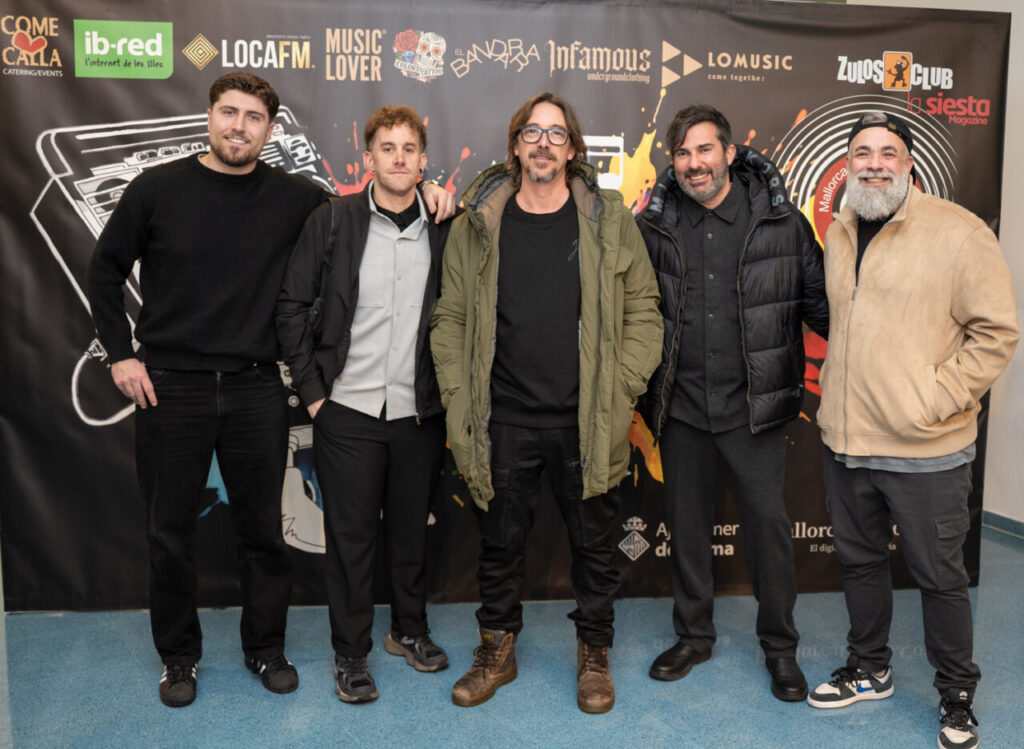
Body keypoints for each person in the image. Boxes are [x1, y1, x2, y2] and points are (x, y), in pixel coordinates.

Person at [86, 73, 454, 709]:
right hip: (171, 386)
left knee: (262, 533)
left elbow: (372, 207)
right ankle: (179, 657)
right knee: (169, 534)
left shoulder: (297, 198)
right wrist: (120, 354)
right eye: (229, 113)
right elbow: (104, 270)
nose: (239, 127)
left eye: (253, 117)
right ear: (210, 117)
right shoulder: (156, 188)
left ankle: (265, 648)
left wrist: (431, 193)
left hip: (257, 387)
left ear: (269, 129)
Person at [430, 92, 663, 714]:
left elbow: (644, 311)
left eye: (556, 134)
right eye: (532, 133)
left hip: (588, 418)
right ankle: (496, 652)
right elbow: (450, 319)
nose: (543, 144)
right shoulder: (477, 225)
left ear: (573, 148)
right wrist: (457, 395)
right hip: (502, 417)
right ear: (515, 145)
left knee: (595, 547)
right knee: (499, 545)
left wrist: (620, 388)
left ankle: (594, 655)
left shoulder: (609, 221)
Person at [808, 112, 1018, 749]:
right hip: (847, 441)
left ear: (909, 163)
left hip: (927, 448)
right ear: (847, 164)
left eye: (887, 152)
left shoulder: (959, 232)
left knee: (940, 578)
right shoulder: (841, 229)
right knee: (860, 564)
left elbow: (996, 332)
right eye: (862, 152)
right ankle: (869, 668)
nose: (873, 163)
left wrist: (935, 398)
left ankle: (957, 694)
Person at [636, 104, 828, 701]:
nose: (694, 164)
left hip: (756, 410)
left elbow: (825, 310)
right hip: (682, 407)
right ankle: (693, 636)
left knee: (768, 530)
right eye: (683, 153)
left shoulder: (782, 223)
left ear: (728, 152)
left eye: (705, 150)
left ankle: (780, 648)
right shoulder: (653, 227)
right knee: (687, 528)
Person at [276, 105, 455, 704]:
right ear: (369, 156)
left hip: (419, 412)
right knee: (351, 542)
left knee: (410, 536)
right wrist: (314, 397)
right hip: (346, 412)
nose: (398, 158)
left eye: (409, 148)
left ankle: (408, 632)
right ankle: (351, 655)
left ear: (423, 160)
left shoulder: (445, 226)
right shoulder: (333, 220)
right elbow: (292, 308)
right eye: (387, 147)